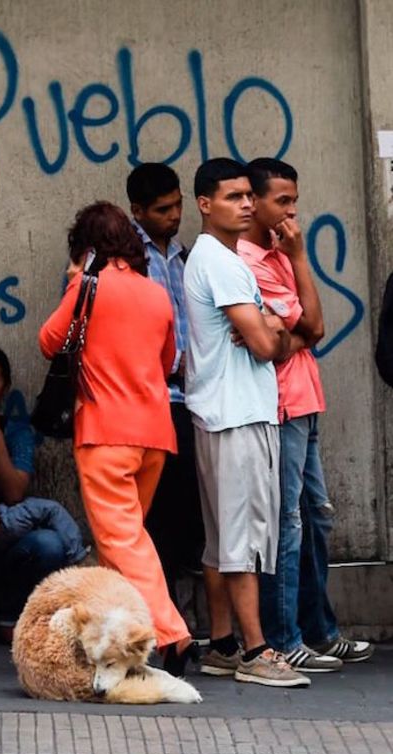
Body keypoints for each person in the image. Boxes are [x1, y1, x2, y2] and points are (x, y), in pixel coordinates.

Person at [39, 202, 195, 676]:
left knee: (123, 541)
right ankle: (119, 643)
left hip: (106, 433)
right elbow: (169, 360)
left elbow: (50, 341)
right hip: (154, 434)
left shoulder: (89, 286)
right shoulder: (155, 294)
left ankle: (170, 634)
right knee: (119, 543)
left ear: (86, 250)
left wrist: (73, 281)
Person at [239, 158, 373, 670]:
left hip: (305, 397)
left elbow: (300, 332)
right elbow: (313, 325)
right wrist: (298, 258)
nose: (293, 211)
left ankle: (320, 630)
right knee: (287, 521)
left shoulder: (276, 253)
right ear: (255, 202)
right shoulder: (252, 260)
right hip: (281, 404)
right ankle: (286, 635)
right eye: (283, 201)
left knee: (317, 518)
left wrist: (292, 333)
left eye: (295, 200)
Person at [182, 158, 308, 687]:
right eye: (234, 197)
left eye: (247, 196)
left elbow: (269, 335)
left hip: (221, 412)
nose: (247, 204)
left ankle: (223, 644)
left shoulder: (214, 258)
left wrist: (271, 327)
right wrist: (275, 329)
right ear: (205, 205)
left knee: (222, 537)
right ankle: (257, 652)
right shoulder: (225, 263)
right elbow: (264, 344)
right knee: (243, 539)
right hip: (237, 414)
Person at [0, 345, 87, 642]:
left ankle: (11, 612)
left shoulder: (16, 432)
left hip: (2, 549)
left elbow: (14, 494)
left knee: (48, 543)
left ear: (5, 386)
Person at [126, 164, 206, 606]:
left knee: (188, 505)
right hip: (154, 398)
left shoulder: (184, 255)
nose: (174, 215)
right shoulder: (130, 261)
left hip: (192, 397)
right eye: (162, 209)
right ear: (137, 211)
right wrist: (174, 363)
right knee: (158, 514)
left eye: (177, 205)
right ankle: (164, 610)